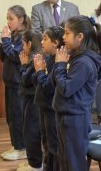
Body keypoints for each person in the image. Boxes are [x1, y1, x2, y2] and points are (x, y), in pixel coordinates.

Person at [50, 15, 101, 171]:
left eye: (67, 33)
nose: (63, 37)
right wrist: (59, 64)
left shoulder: (84, 62)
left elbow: (66, 89)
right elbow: (58, 83)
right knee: (64, 158)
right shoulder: (76, 57)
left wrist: (60, 65)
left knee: (73, 162)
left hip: (74, 118)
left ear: (80, 37)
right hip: (67, 114)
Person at [0, 5, 30, 161]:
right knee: (11, 117)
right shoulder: (14, 35)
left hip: (18, 83)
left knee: (18, 116)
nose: (8, 21)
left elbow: (15, 56)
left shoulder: (24, 37)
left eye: (11, 18)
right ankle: (15, 144)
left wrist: (6, 41)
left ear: (21, 20)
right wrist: (3, 40)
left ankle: (22, 148)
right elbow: (3, 57)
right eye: (7, 18)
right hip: (10, 82)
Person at [33, 26, 64, 171]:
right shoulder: (49, 58)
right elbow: (38, 81)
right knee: (46, 142)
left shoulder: (57, 62)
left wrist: (40, 71)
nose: (42, 43)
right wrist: (37, 70)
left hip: (51, 109)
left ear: (56, 43)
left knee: (53, 145)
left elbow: (48, 87)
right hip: (44, 106)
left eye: (45, 39)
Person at [17, 30, 43, 171]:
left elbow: (26, 80)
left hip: (33, 100)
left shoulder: (35, 58)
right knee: (30, 131)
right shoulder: (36, 56)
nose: (22, 47)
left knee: (31, 132)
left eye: (23, 44)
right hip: (31, 99)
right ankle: (34, 162)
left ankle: (35, 165)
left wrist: (24, 65)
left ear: (29, 44)